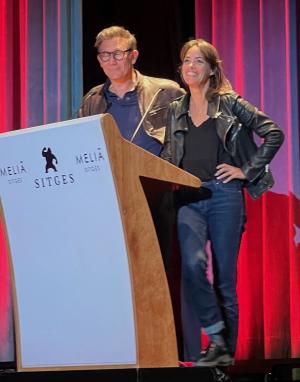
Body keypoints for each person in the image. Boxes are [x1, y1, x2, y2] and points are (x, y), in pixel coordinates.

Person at [161, 38, 284, 367]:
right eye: (187, 61)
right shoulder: (176, 110)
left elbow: (274, 132)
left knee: (225, 278)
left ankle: (224, 358)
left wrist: (246, 171)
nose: (191, 67)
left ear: (212, 69)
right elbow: (168, 155)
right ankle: (216, 337)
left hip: (224, 196)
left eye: (199, 61)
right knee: (192, 264)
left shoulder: (229, 102)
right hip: (189, 195)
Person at [77, 25, 185, 155]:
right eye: (105, 55)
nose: (112, 61)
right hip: (110, 174)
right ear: (100, 60)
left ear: (133, 56)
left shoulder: (165, 91)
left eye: (117, 54)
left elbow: (193, 132)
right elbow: (80, 142)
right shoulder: (92, 99)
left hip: (155, 173)